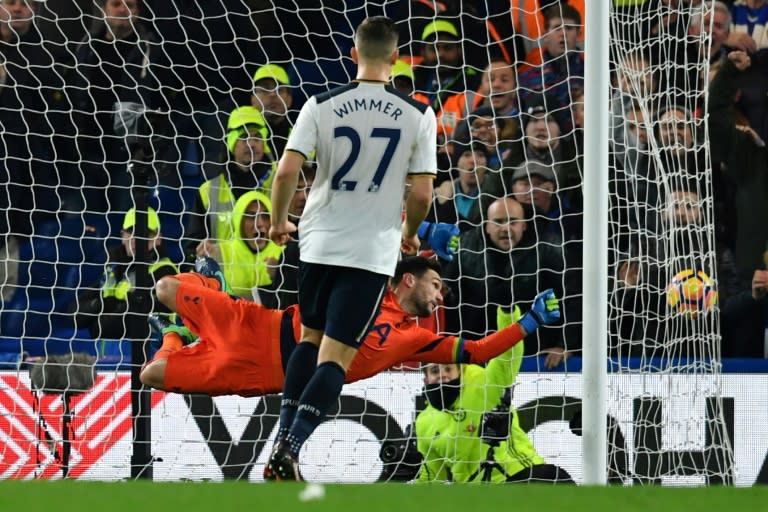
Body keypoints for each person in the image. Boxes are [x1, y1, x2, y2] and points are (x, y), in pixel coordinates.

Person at [265, 16, 437, 481]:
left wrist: (281, 222)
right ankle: (291, 447)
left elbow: (284, 173)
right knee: (337, 357)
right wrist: (411, 233)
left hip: (317, 241)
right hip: (369, 250)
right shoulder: (419, 113)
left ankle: (282, 445)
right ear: (397, 58)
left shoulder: (321, 104)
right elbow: (421, 194)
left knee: (310, 338)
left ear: (354, 54)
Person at [140, 256, 561, 399]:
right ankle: (216, 286)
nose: (440, 297)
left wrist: (531, 322)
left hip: (266, 375)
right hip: (261, 325)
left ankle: (175, 334)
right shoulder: (371, 283)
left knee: (152, 374)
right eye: (437, 286)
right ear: (409, 279)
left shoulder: (415, 339)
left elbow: (480, 353)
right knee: (165, 287)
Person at [414, 308, 572, 483]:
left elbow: (508, 355)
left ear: (460, 371)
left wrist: (507, 312)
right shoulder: (424, 423)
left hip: (520, 475)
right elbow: (432, 477)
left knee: (553, 477)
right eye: (435, 370)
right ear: (426, 379)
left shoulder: (485, 384)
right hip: (479, 497)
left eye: (448, 369)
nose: (442, 375)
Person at [71, 207, 177, 359]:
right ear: (122, 236)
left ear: (158, 239)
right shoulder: (113, 270)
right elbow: (74, 314)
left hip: (150, 359)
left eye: (144, 233)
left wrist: (99, 315)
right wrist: (102, 304)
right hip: (110, 362)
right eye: (131, 232)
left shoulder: (165, 272)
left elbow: (127, 321)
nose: (136, 239)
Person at [184, 106, 274, 262]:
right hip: (226, 280)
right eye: (244, 137)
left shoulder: (281, 179)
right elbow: (193, 249)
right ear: (230, 142)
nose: (252, 143)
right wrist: (200, 254)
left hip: (273, 277)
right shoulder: (209, 191)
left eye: (257, 137)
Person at [250, 63, 295, 159]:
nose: (273, 94)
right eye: (265, 89)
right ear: (253, 100)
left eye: (280, 89)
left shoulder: (304, 137)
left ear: (289, 100)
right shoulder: (242, 139)